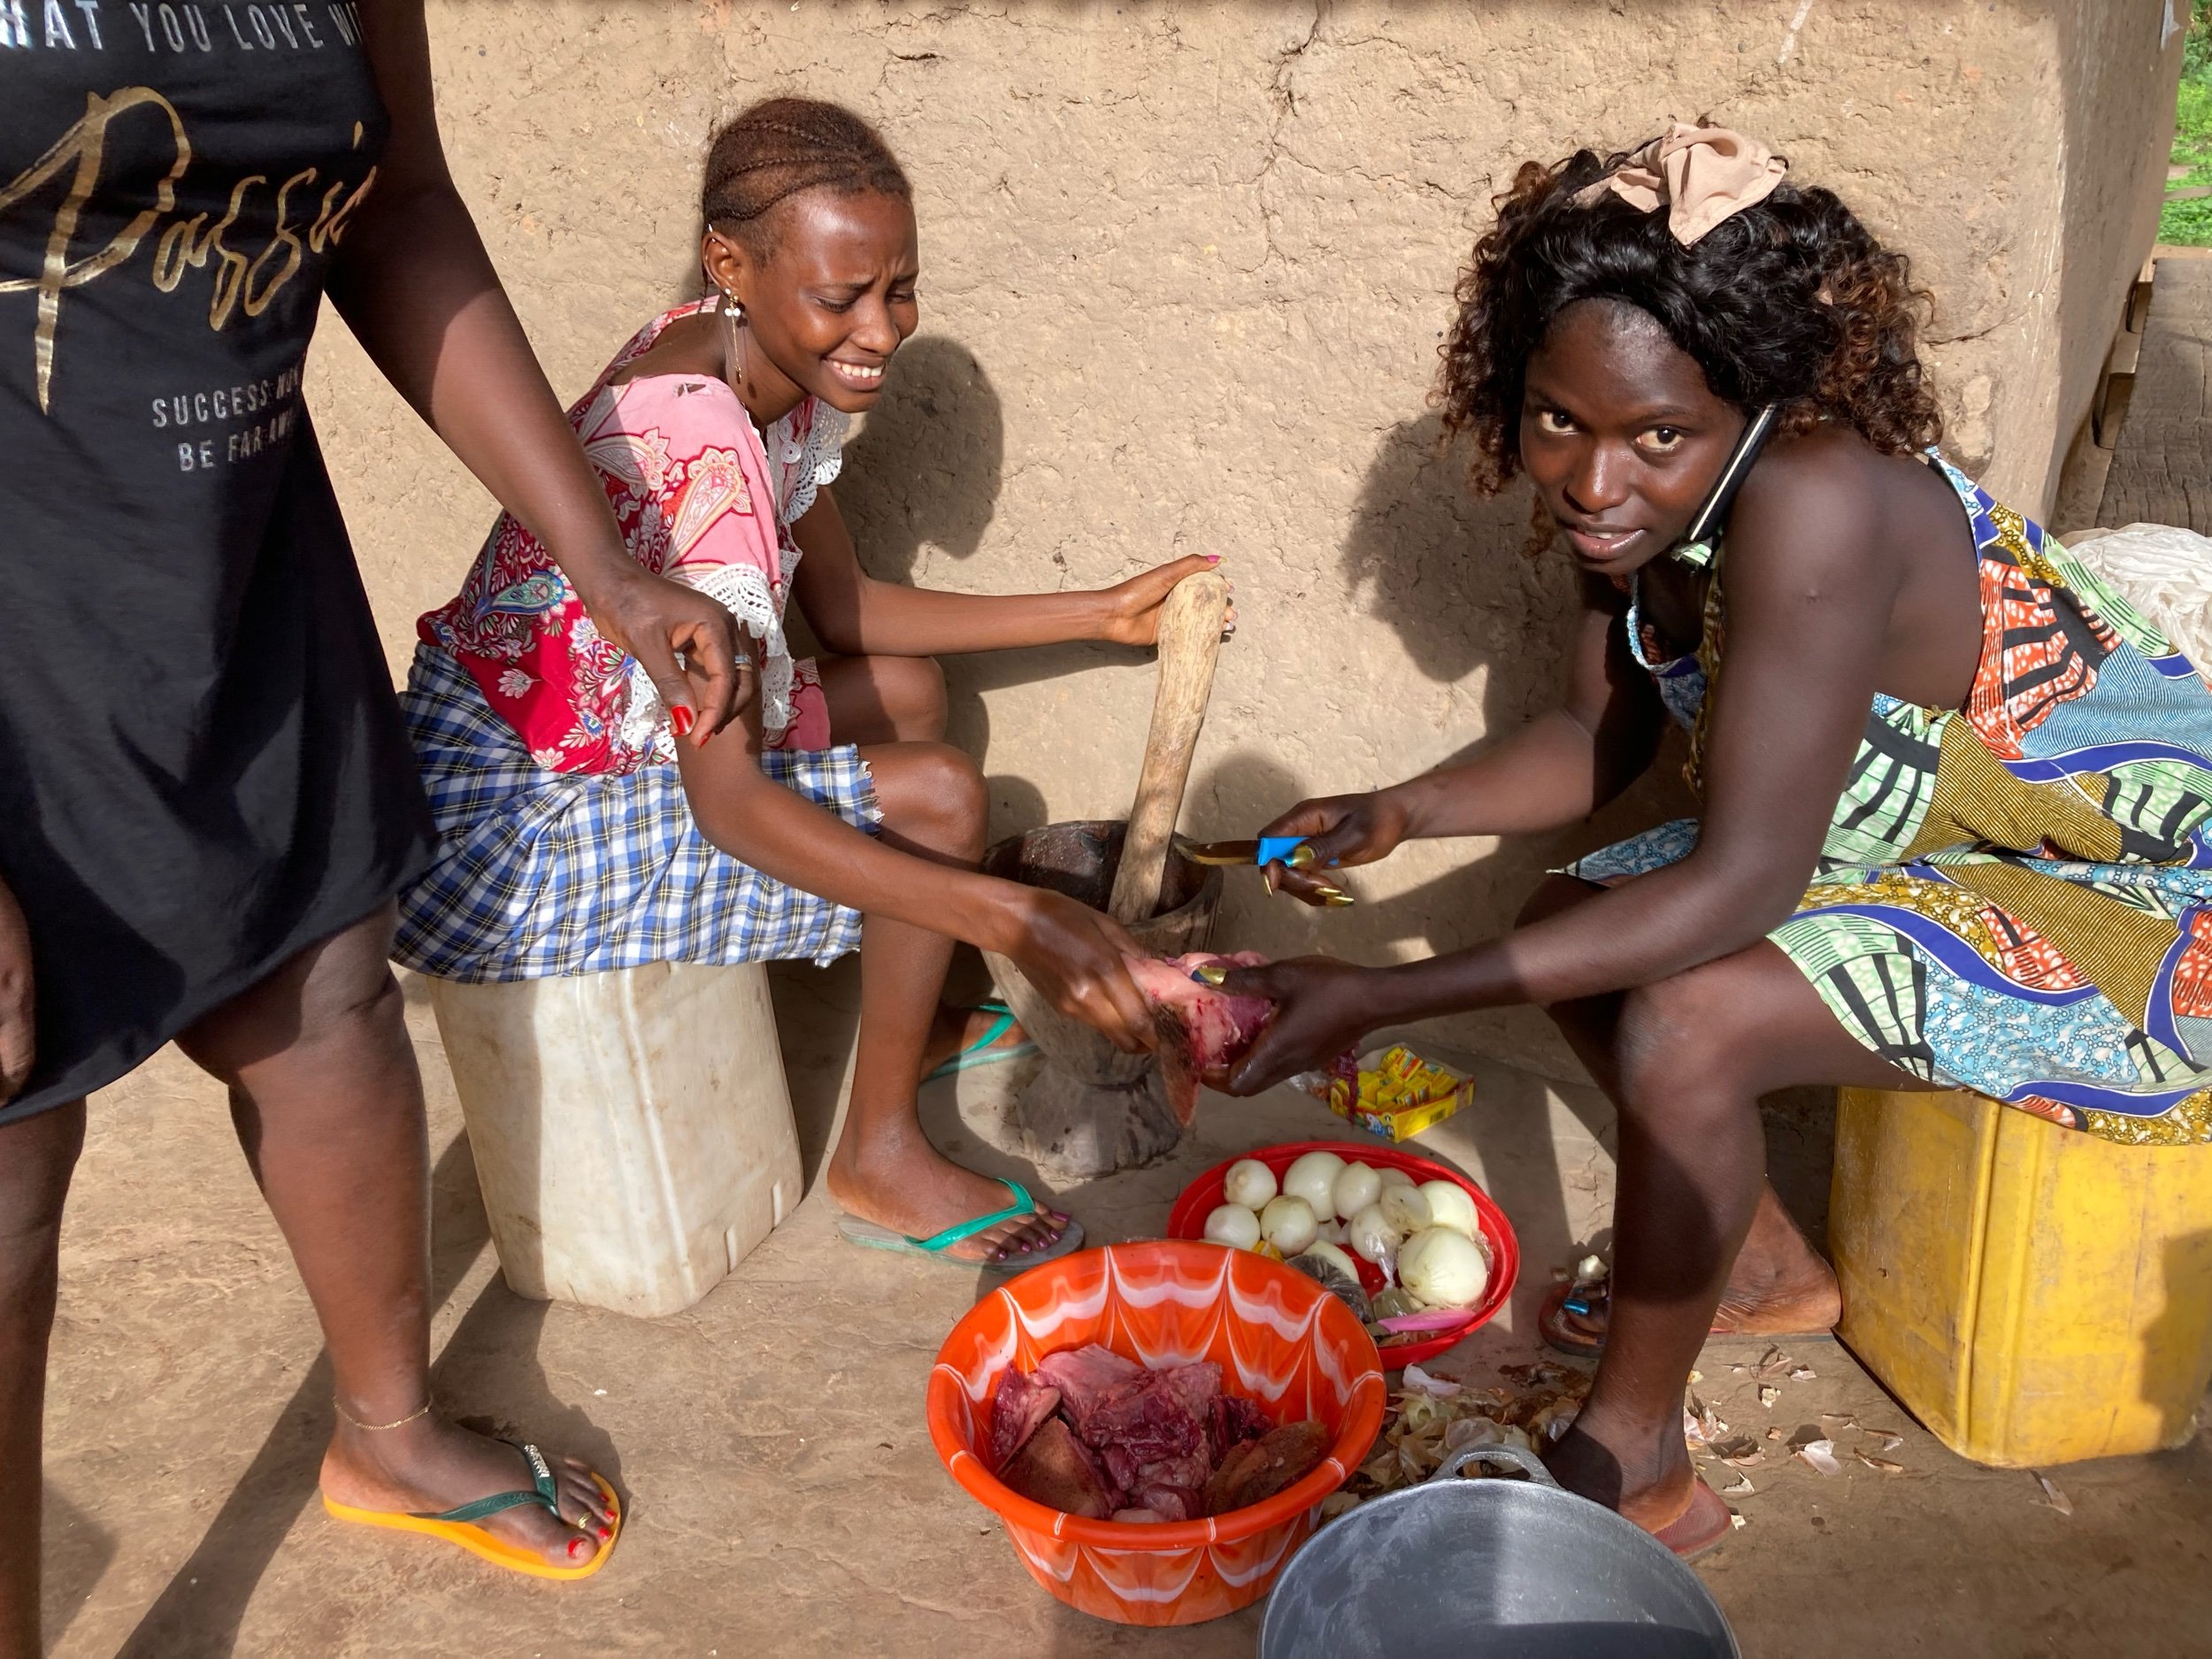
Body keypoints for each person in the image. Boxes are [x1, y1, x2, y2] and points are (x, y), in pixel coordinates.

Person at [1217, 123, 2212, 1555]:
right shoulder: (1641, 509)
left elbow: (1742, 879)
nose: (1592, 480)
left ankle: (1637, 1469)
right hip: (1966, 854)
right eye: (1558, 420)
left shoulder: (1813, 502)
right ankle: (1758, 1266)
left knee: (1687, 1022)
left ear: (1756, 403)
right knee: (1580, 915)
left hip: (2149, 900)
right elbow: (1592, 738)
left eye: (1653, 437)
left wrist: (1376, 995)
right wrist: (1405, 811)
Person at [0, 2, 767, 1620]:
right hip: (15, 625)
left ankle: (388, 1432)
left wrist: (608, 567)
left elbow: (396, 203)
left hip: (233, 564)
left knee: (328, 992)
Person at [397, 98, 1222, 1269]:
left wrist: (1097, 612)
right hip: (500, 834)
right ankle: (877, 1156)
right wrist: (1015, 916)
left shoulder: (748, 360)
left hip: (589, 743)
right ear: (733, 264)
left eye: (900, 289)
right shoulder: (698, 440)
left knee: (909, 695)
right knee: (936, 796)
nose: (881, 330)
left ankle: (921, 1010)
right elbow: (729, 807)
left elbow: (844, 612)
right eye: (844, 299)